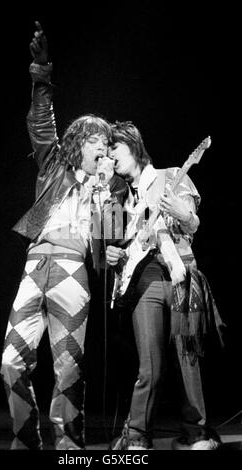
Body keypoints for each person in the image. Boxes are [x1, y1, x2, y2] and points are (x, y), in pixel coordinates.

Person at [0, 22, 126, 450]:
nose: (103, 148)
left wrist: (107, 192)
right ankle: (26, 439)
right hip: (36, 267)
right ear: (78, 142)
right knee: (11, 363)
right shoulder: (53, 164)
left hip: (73, 271)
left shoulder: (108, 186)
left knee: (68, 368)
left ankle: (69, 448)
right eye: (97, 140)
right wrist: (40, 71)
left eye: (107, 143)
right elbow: (41, 119)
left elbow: (108, 242)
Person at [106, 121, 225, 450]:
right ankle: (136, 437)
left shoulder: (171, 175)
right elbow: (114, 252)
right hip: (144, 284)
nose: (110, 156)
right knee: (150, 366)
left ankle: (196, 433)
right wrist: (112, 253)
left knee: (188, 358)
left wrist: (183, 214)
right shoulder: (120, 199)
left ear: (133, 146)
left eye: (115, 148)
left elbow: (193, 222)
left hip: (180, 273)